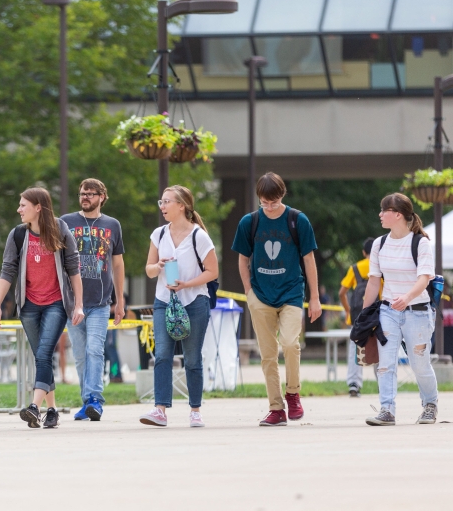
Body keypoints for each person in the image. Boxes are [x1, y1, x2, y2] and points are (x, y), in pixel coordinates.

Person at [231, 172, 321, 427]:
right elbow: (242, 258)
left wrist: (314, 297)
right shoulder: (250, 222)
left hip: (291, 292)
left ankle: (293, 393)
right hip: (260, 296)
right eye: (264, 202)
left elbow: (309, 259)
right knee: (268, 354)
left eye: (274, 202)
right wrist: (249, 292)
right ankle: (276, 408)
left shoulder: (297, 220)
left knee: (291, 344)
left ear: (282, 195)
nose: (269, 207)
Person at [0, 187, 84, 429]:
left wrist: (79, 305)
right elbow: (7, 270)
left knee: (44, 355)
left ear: (38, 207)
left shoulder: (60, 230)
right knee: (41, 358)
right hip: (29, 305)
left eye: (23, 205)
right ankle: (51, 411)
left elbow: (74, 269)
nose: (19, 209)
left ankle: (34, 407)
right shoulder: (18, 235)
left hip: (56, 303)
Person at [139, 185, 218, 428]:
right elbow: (149, 269)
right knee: (162, 354)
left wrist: (186, 284)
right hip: (164, 301)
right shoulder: (159, 234)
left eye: (166, 202)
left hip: (194, 301)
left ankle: (195, 409)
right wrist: (159, 265)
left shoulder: (199, 236)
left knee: (192, 357)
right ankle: (160, 409)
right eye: (160, 202)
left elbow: (213, 272)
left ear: (181, 206)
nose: (162, 206)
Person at [362, 193, 438, 426]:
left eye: (384, 210)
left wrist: (406, 297)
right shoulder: (379, 244)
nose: (380, 214)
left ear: (397, 214)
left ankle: (430, 404)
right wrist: (363, 317)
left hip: (418, 311)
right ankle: (387, 409)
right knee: (385, 362)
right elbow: (374, 281)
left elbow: (424, 278)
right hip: (388, 312)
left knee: (419, 362)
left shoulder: (420, 243)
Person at [61, 178, 125, 421]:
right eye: (82, 193)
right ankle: (86, 401)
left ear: (102, 197)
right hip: (72, 302)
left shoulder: (112, 225)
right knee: (80, 354)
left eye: (90, 193)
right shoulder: (66, 222)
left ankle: (95, 400)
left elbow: (117, 264)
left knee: (95, 349)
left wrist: (120, 301)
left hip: (100, 302)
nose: (85, 197)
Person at [338, 237, 378, 397]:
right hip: (377, 316)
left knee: (355, 349)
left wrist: (348, 310)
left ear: (363, 252)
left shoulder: (355, 268)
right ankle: (383, 383)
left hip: (357, 317)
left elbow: (342, 292)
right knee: (379, 348)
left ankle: (354, 384)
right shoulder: (380, 267)